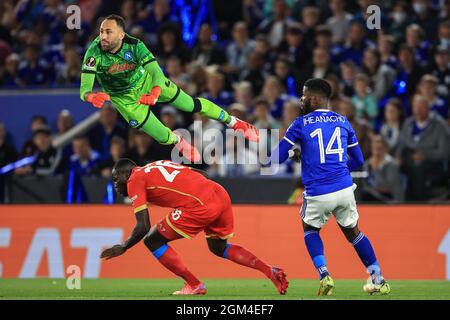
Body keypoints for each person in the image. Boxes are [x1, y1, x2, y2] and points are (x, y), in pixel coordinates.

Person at [80, 15, 259, 163]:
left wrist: (155, 92)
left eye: (108, 32)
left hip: (149, 82)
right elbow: (84, 89)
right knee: (155, 133)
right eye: (102, 31)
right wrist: (90, 96)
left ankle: (235, 122)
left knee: (191, 105)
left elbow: (156, 72)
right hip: (124, 98)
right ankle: (178, 140)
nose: (103, 36)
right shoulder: (94, 53)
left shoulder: (135, 45)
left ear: (121, 35)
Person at [270, 78, 390, 296]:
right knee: (354, 234)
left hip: (318, 192)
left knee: (310, 229)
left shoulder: (300, 123)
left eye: (304, 95)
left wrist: (292, 153)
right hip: (345, 189)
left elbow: (274, 159)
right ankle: (378, 278)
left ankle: (325, 275)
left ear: (314, 99)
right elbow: (359, 160)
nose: (301, 99)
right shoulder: (343, 121)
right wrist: (337, 170)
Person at [100, 159, 288, 295]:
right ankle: (270, 271)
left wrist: (123, 246)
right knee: (218, 247)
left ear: (127, 173)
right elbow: (201, 174)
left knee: (152, 239)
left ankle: (194, 284)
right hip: (218, 192)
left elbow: (143, 226)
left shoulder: (134, 180)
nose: (115, 185)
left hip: (199, 205)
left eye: (116, 179)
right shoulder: (158, 164)